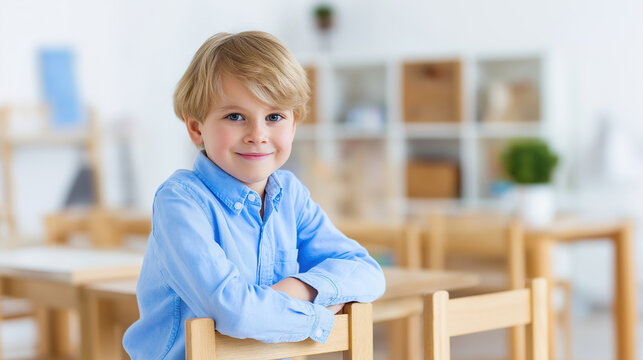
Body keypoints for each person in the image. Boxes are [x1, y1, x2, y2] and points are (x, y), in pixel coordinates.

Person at [123, 31, 386, 359]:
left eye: (274, 117)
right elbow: (234, 311)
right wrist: (319, 312)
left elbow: (367, 271)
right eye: (235, 116)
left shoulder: (290, 195)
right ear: (196, 128)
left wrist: (300, 288)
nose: (258, 135)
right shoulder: (181, 201)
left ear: (293, 125)